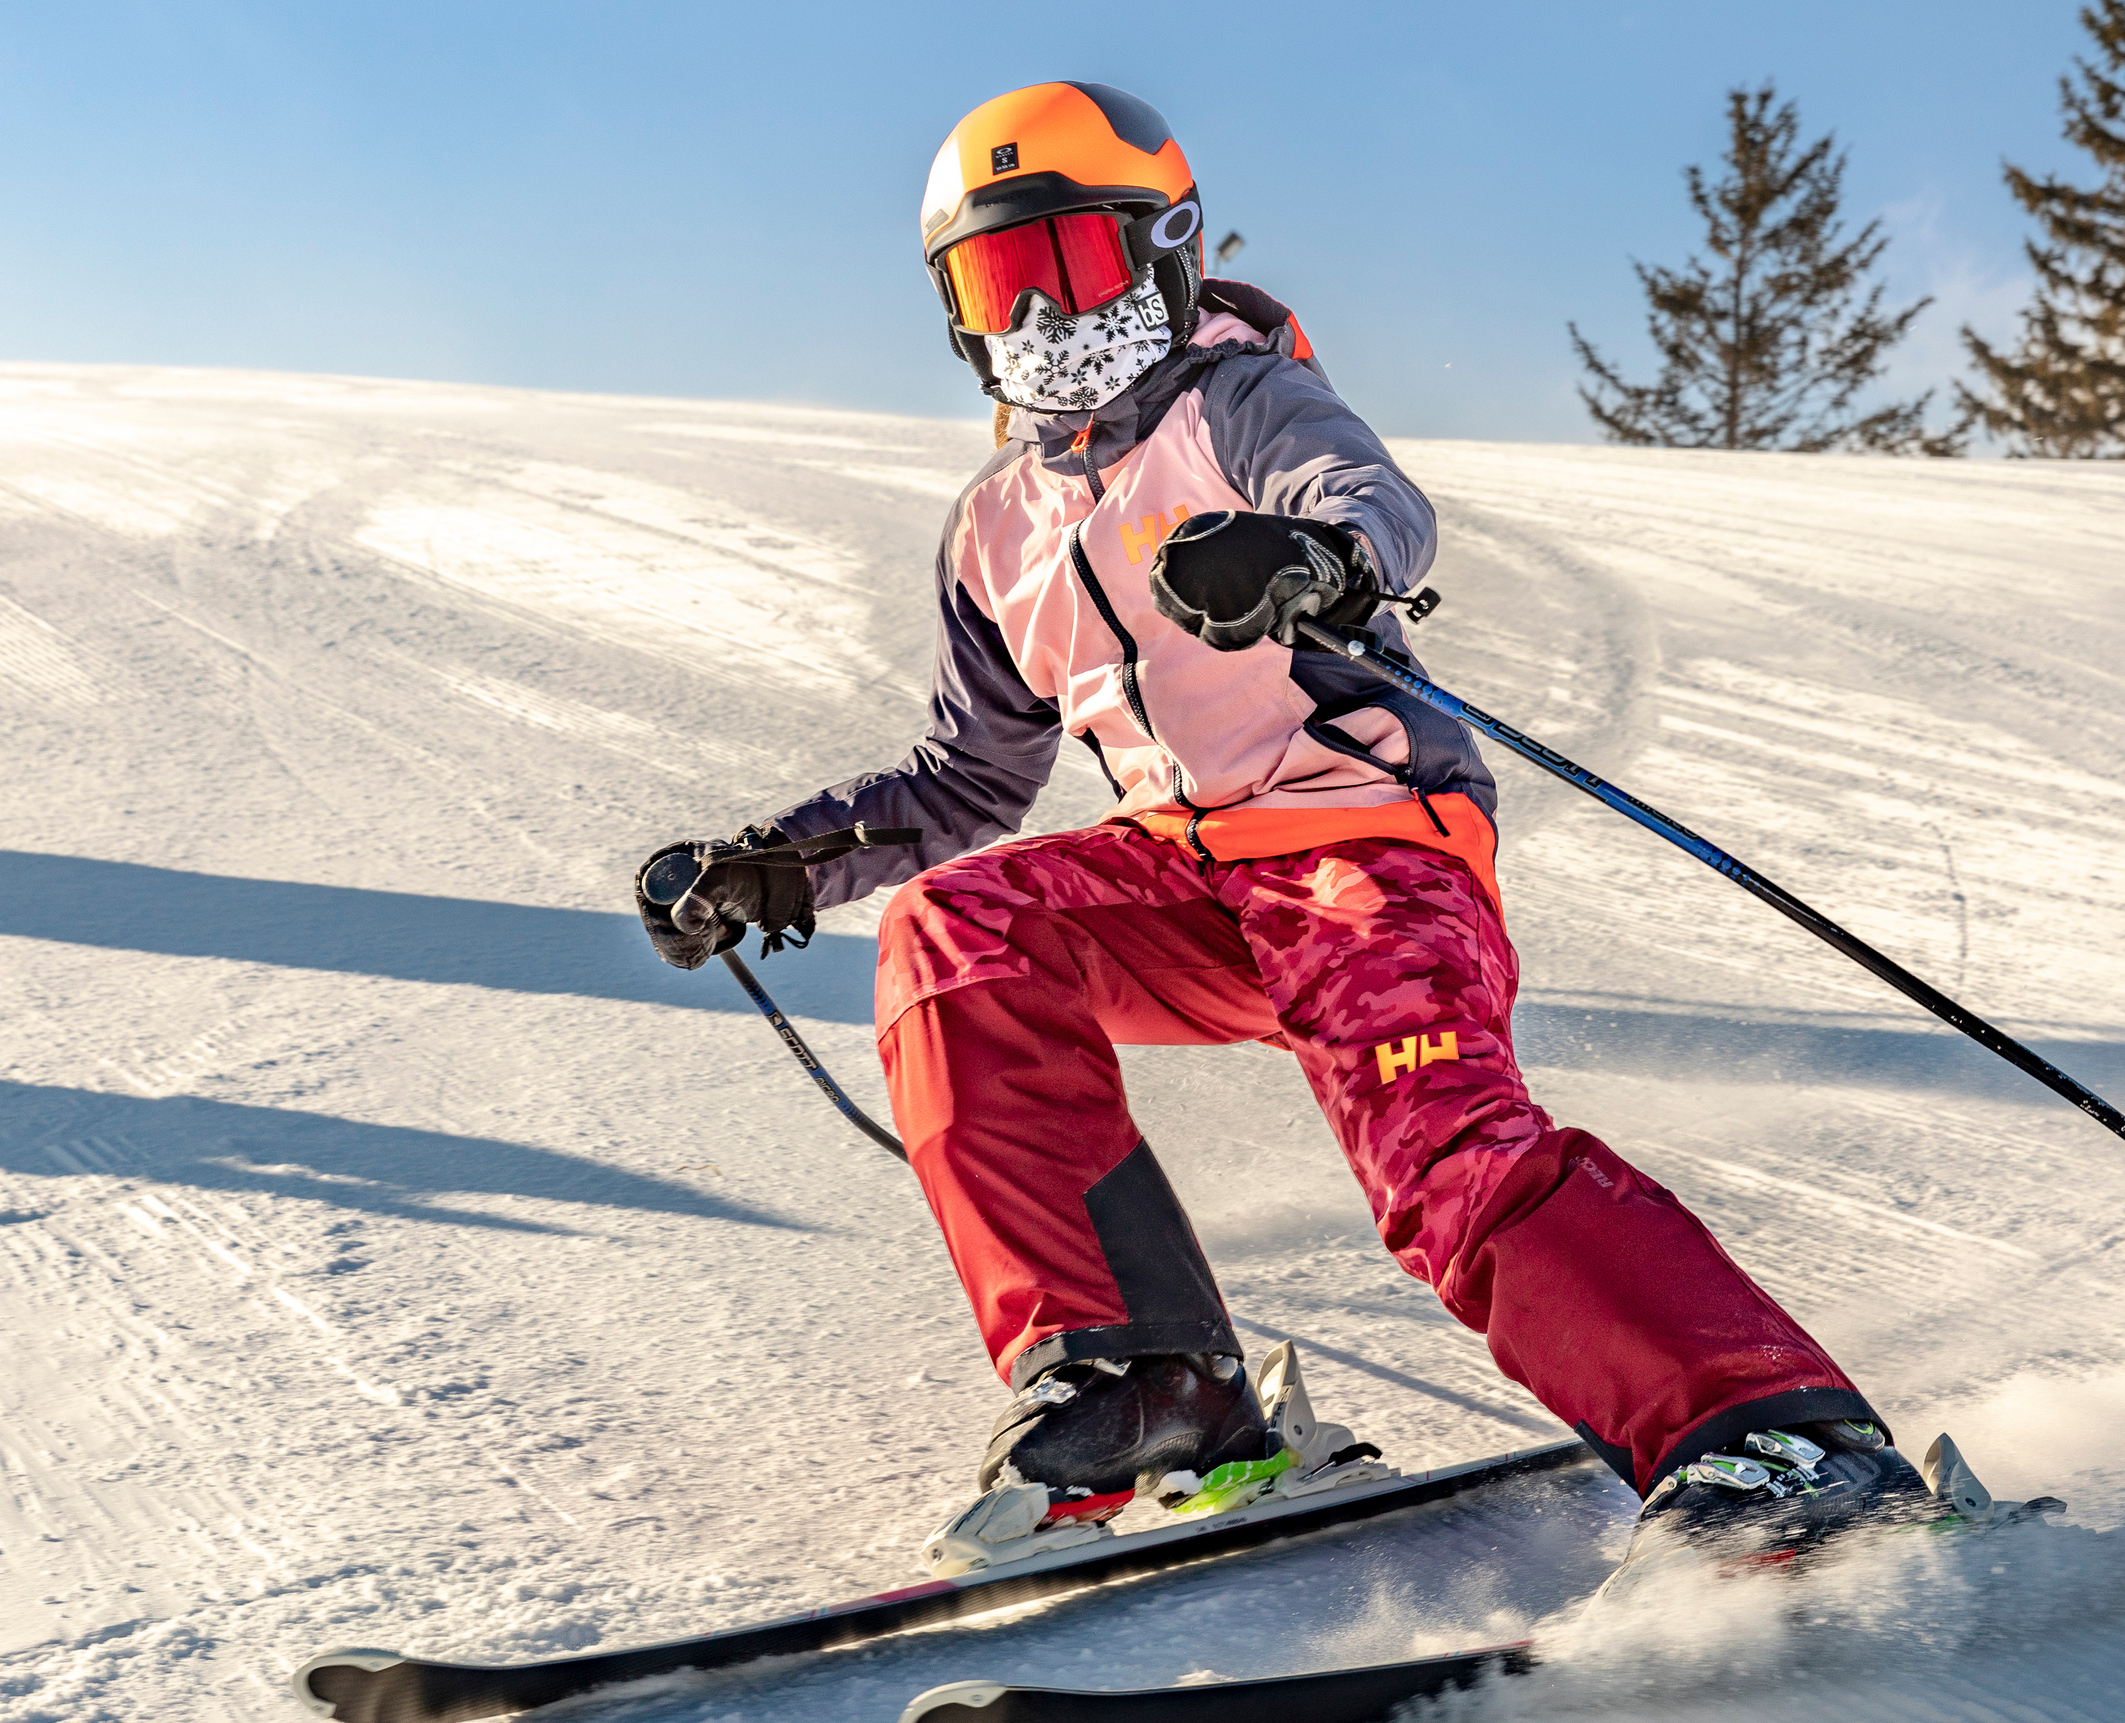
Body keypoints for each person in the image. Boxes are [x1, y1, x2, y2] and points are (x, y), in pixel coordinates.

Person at [636, 81, 1928, 1569]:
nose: (1051, 318)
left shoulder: (1238, 404)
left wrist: (1308, 558)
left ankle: (1769, 1434)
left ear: (1170, 247)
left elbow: (1376, 503)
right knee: (956, 931)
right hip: (1182, 883)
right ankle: (1145, 1383)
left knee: (1438, 1153)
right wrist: (784, 860)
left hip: (1361, 849)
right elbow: (968, 780)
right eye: (1006, 281)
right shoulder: (993, 527)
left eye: (1084, 263)